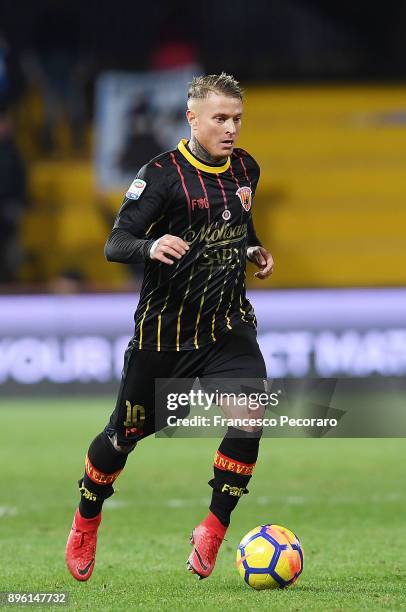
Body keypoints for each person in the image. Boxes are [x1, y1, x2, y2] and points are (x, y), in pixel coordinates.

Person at [65, 73, 274, 581]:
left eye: (236, 118)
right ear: (193, 118)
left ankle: (213, 528)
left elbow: (236, 222)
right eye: (220, 118)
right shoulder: (159, 175)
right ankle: (86, 520)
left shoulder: (246, 168)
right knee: (123, 436)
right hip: (166, 336)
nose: (230, 128)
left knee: (250, 415)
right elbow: (116, 244)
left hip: (227, 327)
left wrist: (250, 248)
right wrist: (151, 247)